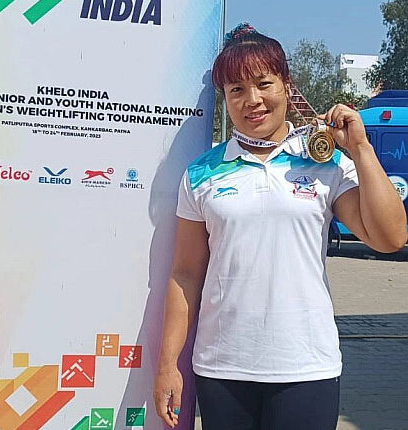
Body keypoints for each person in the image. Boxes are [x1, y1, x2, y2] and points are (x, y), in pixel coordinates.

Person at [153, 23, 407, 430]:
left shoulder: (326, 162)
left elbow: (390, 238)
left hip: (306, 366)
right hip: (223, 367)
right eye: (236, 89)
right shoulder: (201, 173)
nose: (252, 100)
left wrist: (360, 148)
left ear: (287, 86)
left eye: (263, 84)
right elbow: (185, 274)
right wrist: (169, 365)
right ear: (225, 99)